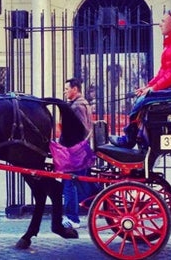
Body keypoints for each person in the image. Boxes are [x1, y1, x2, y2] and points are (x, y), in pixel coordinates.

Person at [110, 10, 171, 148]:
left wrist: (154, 88)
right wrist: (148, 87)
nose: (160, 24)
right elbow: (163, 71)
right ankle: (140, 137)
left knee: (144, 100)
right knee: (143, 97)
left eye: (163, 21)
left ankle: (130, 139)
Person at [61, 77, 93, 229]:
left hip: (76, 152)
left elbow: (77, 131)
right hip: (82, 150)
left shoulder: (76, 107)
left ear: (75, 89)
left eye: (67, 89)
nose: (65, 91)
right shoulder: (83, 103)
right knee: (79, 183)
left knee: (69, 184)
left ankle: (72, 219)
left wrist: (64, 149)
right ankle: (95, 206)